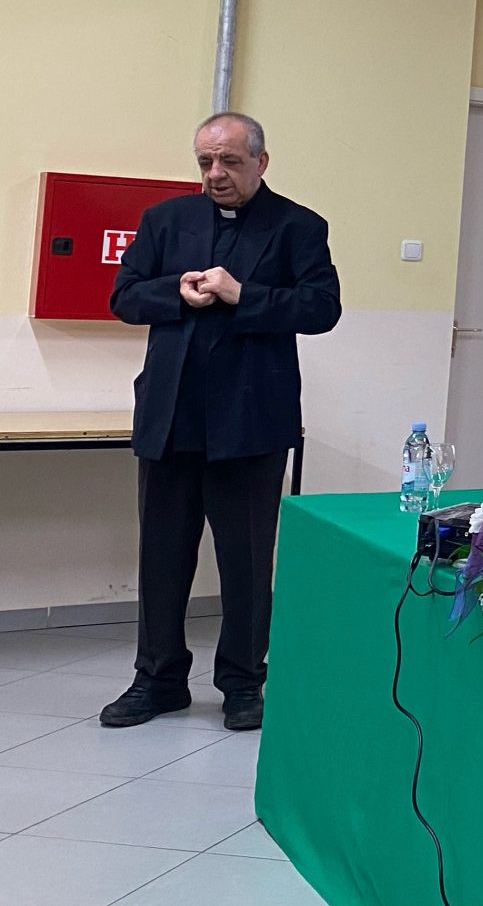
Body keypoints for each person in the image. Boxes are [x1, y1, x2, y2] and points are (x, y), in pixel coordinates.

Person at [103, 112, 342, 731]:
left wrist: (243, 295)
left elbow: (322, 308)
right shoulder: (165, 220)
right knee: (161, 557)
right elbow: (124, 296)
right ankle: (158, 680)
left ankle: (242, 683)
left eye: (230, 161)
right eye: (206, 161)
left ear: (261, 162)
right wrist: (173, 292)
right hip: (170, 420)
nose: (215, 174)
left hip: (249, 424)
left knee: (246, 563)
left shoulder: (298, 226)